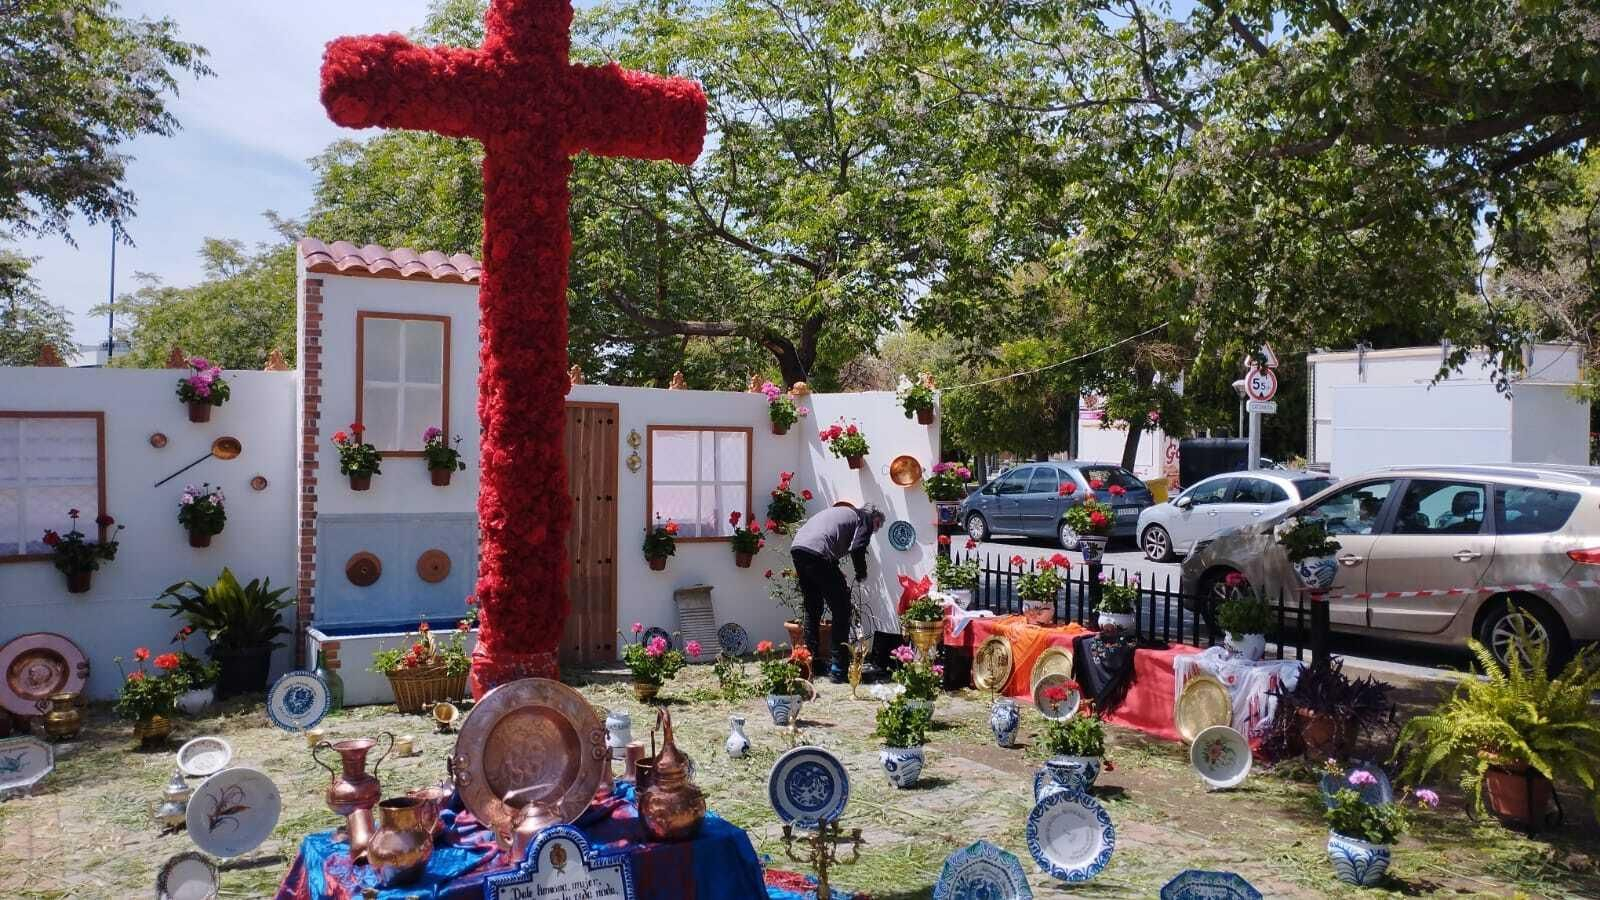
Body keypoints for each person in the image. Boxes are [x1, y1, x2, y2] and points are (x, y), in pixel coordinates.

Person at [790, 503, 886, 682]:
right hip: (818, 553)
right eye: (877, 527)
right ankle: (838, 668)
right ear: (875, 519)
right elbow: (857, 547)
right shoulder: (864, 518)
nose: (874, 532)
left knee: (813, 607)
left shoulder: (843, 514)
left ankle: (811, 662)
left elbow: (829, 541)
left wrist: (833, 568)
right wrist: (861, 573)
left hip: (799, 549)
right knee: (842, 609)